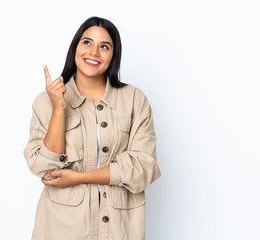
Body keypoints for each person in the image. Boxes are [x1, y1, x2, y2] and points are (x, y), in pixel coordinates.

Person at [23, 16, 161, 240]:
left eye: (104, 46)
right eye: (87, 42)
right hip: (62, 228)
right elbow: (43, 168)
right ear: (75, 47)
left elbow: (143, 167)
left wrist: (78, 177)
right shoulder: (45, 102)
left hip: (120, 228)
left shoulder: (134, 99)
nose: (94, 52)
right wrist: (59, 109)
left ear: (113, 55)